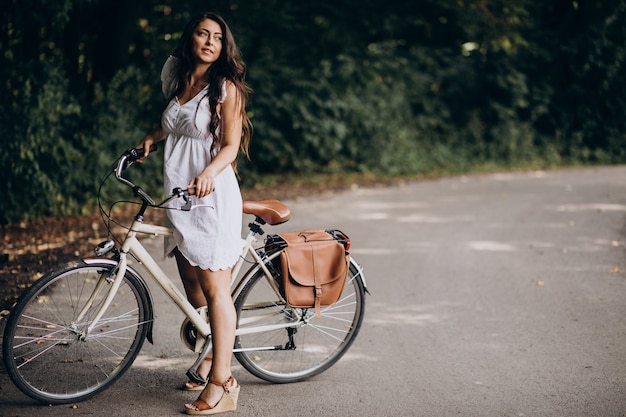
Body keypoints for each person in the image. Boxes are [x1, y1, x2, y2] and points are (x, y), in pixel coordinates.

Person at [137, 12, 252, 415]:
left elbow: (230, 146)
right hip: (179, 196)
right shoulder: (180, 79)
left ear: (224, 47)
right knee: (191, 283)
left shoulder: (226, 89)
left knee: (216, 289)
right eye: (203, 33)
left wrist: (207, 173)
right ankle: (209, 351)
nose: (209, 41)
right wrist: (150, 139)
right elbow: (176, 124)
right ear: (191, 39)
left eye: (217, 37)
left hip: (210, 194)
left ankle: (224, 380)